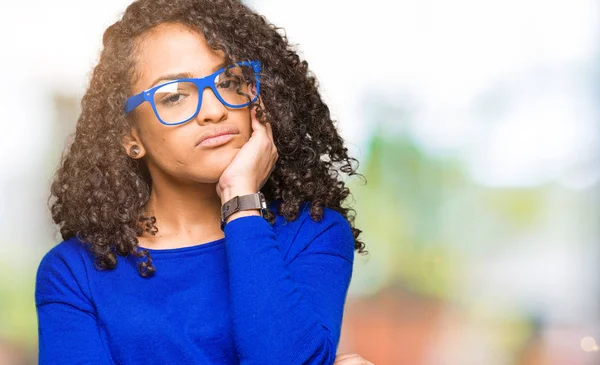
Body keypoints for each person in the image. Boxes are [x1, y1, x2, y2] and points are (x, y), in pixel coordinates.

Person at [34, 0, 371, 364]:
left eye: (228, 81)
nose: (214, 111)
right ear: (130, 136)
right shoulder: (73, 273)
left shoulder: (313, 234)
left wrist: (240, 200)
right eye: (175, 96)